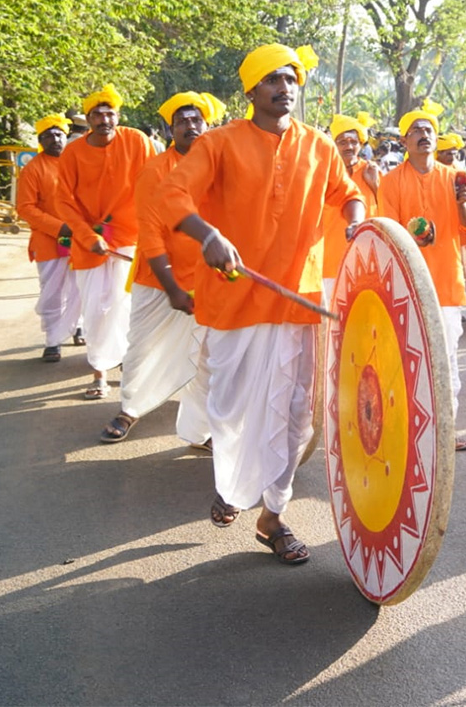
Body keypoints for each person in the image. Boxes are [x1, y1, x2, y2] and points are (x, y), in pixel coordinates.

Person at [159, 43, 364, 564]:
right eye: (273, 80)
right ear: (251, 90)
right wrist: (206, 234)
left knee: (295, 414)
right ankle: (233, 483)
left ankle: (272, 514)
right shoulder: (220, 143)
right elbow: (173, 196)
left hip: (296, 303)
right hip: (234, 302)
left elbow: (347, 192)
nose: (285, 88)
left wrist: (357, 219)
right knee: (231, 410)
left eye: (291, 80)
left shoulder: (318, 145)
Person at [99, 92, 221, 446]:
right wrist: (171, 287)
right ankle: (129, 409)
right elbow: (150, 233)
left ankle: (200, 431)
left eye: (196, 119)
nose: (190, 126)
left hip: (207, 278)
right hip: (158, 278)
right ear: (171, 129)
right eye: (182, 121)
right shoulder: (155, 170)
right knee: (142, 346)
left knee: (206, 356)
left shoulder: (219, 165)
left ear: (207, 125)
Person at [377, 101, 466, 451]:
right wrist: (415, 233)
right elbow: (389, 231)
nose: (425, 135)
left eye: (429, 131)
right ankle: (407, 427)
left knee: (446, 359)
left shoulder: (455, 179)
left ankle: (444, 429)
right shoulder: (390, 183)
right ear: (404, 141)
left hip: (446, 286)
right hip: (407, 285)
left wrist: (464, 201)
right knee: (405, 358)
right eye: (417, 131)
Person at [57, 85, 158, 399]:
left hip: (131, 237)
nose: (104, 119)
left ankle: (129, 363)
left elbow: (157, 182)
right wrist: (88, 237)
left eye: (109, 113)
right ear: (87, 119)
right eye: (97, 114)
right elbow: (64, 202)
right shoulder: (72, 152)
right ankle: (99, 372)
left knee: (128, 306)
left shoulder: (138, 141)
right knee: (96, 308)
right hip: (90, 242)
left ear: (118, 115)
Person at [16, 114, 83, 362]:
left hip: (81, 239)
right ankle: (53, 341)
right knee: (52, 293)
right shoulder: (33, 169)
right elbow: (25, 208)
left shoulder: (78, 163)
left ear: (66, 137)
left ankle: (79, 327)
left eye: (59, 134)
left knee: (81, 287)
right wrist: (59, 227)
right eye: (48, 136)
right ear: (41, 141)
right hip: (48, 241)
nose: (54, 139)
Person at [322, 114, 380, 303]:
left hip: (365, 263)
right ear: (334, 145)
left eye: (353, 141)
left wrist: (375, 185)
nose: (349, 146)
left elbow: (386, 211)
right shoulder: (323, 172)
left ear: (361, 144)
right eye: (342, 141)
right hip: (328, 264)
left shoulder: (371, 171)